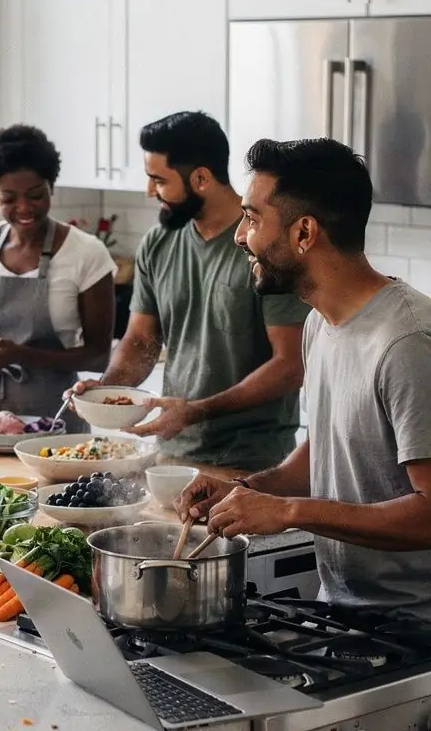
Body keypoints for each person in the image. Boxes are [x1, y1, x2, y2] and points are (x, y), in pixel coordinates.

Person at [179, 137, 431, 611]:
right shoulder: (320, 321)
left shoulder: (407, 343)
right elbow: (330, 448)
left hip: (416, 630)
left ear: (304, 233)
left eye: (252, 219)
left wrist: (290, 512)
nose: (239, 236)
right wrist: (248, 490)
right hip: (346, 609)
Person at [73, 111, 307, 471]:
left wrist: (195, 412)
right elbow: (140, 340)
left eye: (158, 180)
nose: (150, 191)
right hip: (172, 456)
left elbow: (291, 366)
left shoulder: (264, 245)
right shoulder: (159, 241)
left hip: (253, 463)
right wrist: (106, 393)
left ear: (201, 178)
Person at [0, 124, 115, 427]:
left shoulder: (86, 253)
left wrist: (22, 355)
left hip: (54, 418)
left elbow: (98, 356)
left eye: (36, 195)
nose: (24, 208)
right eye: (8, 198)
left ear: (51, 187)